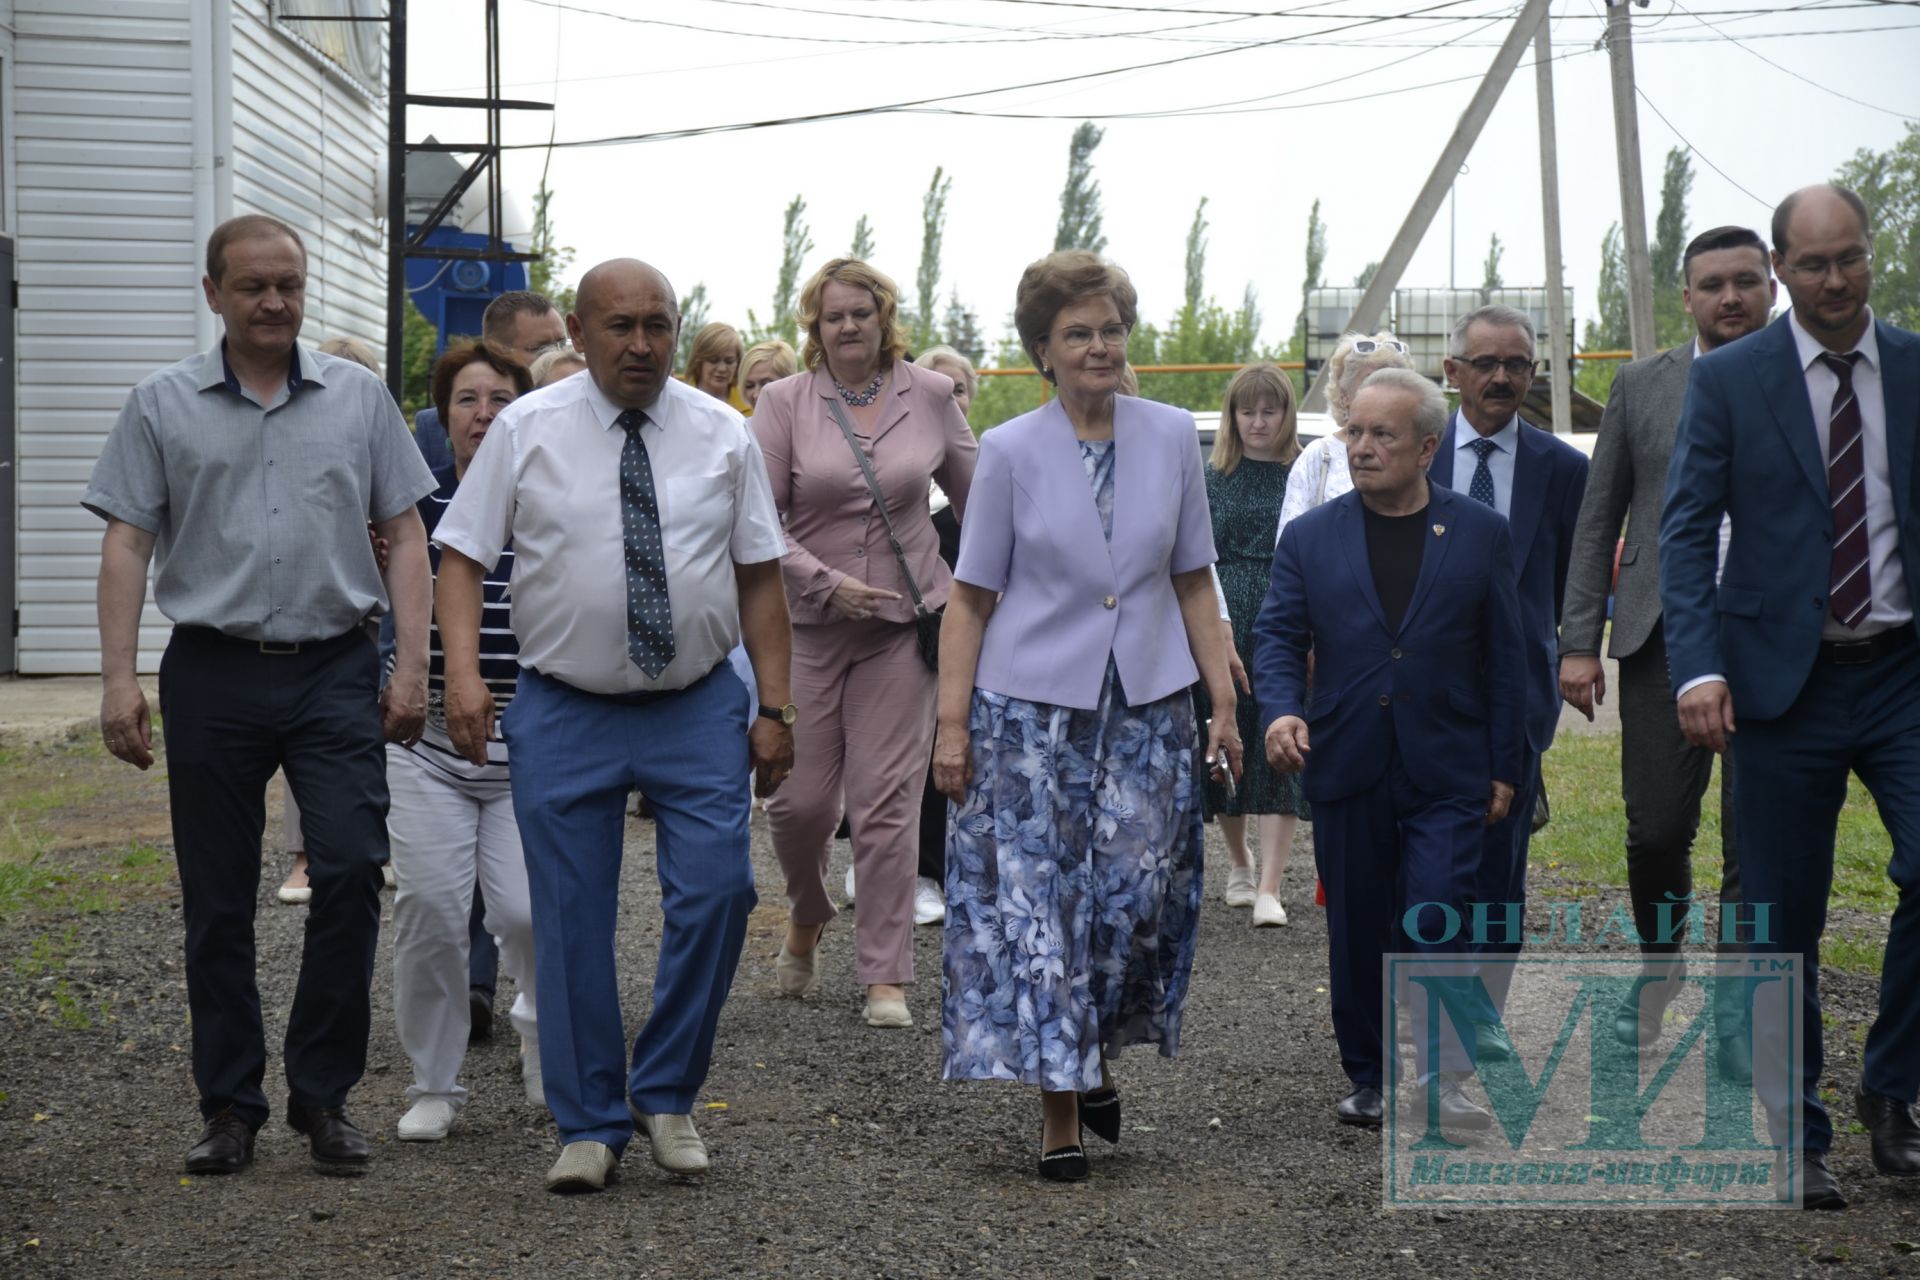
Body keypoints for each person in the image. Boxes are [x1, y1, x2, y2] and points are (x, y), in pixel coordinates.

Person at [84, 213, 437, 1177]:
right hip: (213, 669)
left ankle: (322, 1097)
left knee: (356, 866)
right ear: (214, 295)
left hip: (333, 666)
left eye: (289, 283)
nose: (275, 302)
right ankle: (230, 1104)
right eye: (253, 286)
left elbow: (405, 532)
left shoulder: (360, 399)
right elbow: (126, 541)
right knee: (217, 898)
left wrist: (411, 667)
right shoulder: (161, 403)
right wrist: (119, 679)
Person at [433, 258, 795, 1194]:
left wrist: (777, 710)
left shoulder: (724, 434)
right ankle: (588, 1120)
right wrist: (466, 679)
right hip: (565, 706)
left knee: (719, 895)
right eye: (621, 326)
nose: (641, 344)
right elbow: (463, 556)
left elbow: (761, 574)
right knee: (568, 919)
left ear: (679, 330)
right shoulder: (527, 428)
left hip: (698, 702)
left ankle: (665, 1092)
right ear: (582, 335)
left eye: (658, 325)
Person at [934, 250, 1240, 1182]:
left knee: (1133, 901)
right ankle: (1060, 1109)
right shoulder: (1012, 452)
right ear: (1043, 352)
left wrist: (1220, 700)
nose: (1098, 345)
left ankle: (1091, 1049)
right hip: (1028, 719)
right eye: (1078, 333)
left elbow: (1193, 578)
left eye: (1109, 329)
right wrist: (950, 727)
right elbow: (971, 598)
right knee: (1041, 912)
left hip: (1146, 709)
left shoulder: (1167, 437)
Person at [1661, 184, 1920, 1211]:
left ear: (1871, 255)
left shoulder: (1911, 364)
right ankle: (1794, 1129)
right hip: (1778, 684)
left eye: (1848, 257)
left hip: (1903, 671)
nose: (1833, 280)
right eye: (1811, 264)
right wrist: (1698, 664)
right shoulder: (1730, 379)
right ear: (1779, 268)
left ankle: (1893, 1089)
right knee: (1780, 919)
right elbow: (1685, 531)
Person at [1254, 368, 1524, 1130]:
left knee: (1439, 913)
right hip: (1348, 757)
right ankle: (1369, 1076)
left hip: (1449, 764)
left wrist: (1506, 766)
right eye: (1354, 433)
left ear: (1428, 447)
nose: (1362, 448)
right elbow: (1277, 636)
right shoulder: (1311, 536)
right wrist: (1279, 711)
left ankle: (1443, 1079)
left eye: (1382, 435)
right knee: (1360, 926)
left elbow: (1507, 659)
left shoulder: (1480, 533)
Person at [1558, 226, 1775, 1081]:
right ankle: (1660, 967)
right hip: (1659, 635)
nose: (1730, 298)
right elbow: (1598, 515)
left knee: (1756, 843)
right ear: (1686, 297)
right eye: (1713, 284)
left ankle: (1736, 1016)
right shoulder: (1642, 385)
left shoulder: (1803, 382)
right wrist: (1581, 640)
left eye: (1746, 283)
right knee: (1655, 833)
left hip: (1777, 640)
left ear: (1771, 291)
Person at [753, 260, 977, 1029]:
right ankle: (806, 915)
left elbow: (984, 506)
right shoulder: (783, 403)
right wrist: (824, 582)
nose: (847, 327)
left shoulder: (934, 396)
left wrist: (989, 596)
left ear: (885, 318)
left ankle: (886, 974)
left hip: (901, 632)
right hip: (808, 629)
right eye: (831, 316)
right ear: (812, 328)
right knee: (800, 806)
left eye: (861, 313)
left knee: (887, 806)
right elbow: (758, 521)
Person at [387, 341, 544, 1143]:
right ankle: (434, 1083)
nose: (485, 415)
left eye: (501, 400)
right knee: (429, 910)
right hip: (428, 746)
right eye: (467, 401)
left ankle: (540, 1038)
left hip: (532, 745)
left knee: (525, 911)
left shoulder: (551, 497)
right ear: (441, 415)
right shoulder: (408, 511)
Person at [1430, 305, 1588, 1062]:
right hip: (1423, 693)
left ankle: (1480, 1023)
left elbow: (1569, 585)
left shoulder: (1564, 471)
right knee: (1424, 866)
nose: (1501, 378)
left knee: (1501, 872)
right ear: (1452, 372)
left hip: (1515, 701)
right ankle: (1422, 1020)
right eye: (1486, 364)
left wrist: (1564, 653)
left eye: (1517, 365)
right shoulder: (1416, 457)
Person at [1275, 333, 1416, 912]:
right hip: (1335, 646)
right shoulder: (1320, 457)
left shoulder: (1422, 455)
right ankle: (1345, 883)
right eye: (1363, 381)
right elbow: (1292, 544)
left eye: (1388, 379)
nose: (1374, 393)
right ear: (1342, 391)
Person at [276, 335, 389, 906]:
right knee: (309, 743)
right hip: (305, 615)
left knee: (362, 742)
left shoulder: (376, 432)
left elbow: (400, 520)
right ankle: (304, 854)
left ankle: (372, 844)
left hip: (369, 614)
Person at [1201, 363, 1307, 927]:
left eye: (1270, 410)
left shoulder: (1301, 471)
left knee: (1283, 735)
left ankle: (1271, 883)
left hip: (1286, 611)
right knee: (1229, 734)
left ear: (1287, 415)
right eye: (1248, 411)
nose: (1259, 421)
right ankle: (1238, 862)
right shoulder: (1213, 475)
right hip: (1219, 616)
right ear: (1232, 416)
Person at [904, 344, 978, 927]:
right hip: (923, 634)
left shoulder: (988, 466)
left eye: (958, 389)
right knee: (929, 754)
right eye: (938, 387)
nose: (949, 398)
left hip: (989, 635)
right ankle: (922, 873)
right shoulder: (908, 478)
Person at [1275, 334, 1415, 543]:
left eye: (1390, 383)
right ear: (1344, 396)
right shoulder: (1319, 455)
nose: (1380, 395)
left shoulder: (1418, 451)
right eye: (1369, 383)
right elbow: (1288, 545)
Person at [414, 291, 569, 472]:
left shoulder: (574, 417)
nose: (556, 356)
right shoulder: (432, 429)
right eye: (540, 348)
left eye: (561, 344)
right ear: (497, 352)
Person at [683, 320, 750, 412]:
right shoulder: (678, 394)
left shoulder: (749, 403)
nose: (722, 369)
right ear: (698, 361)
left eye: (729, 361)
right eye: (713, 360)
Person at [740, 338, 798, 414]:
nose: (756, 395)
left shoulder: (812, 421)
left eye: (766, 384)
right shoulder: (739, 424)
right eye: (749, 386)